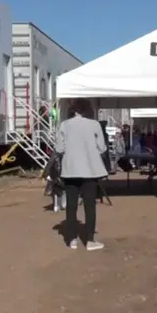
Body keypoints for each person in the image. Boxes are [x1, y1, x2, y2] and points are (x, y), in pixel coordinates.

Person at [55, 98, 107, 251]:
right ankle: (90, 240)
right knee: (90, 205)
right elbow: (102, 148)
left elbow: (59, 148)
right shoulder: (94, 124)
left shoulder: (64, 125)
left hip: (70, 170)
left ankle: (72, 240)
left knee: (71, 206)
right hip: (90, 170)